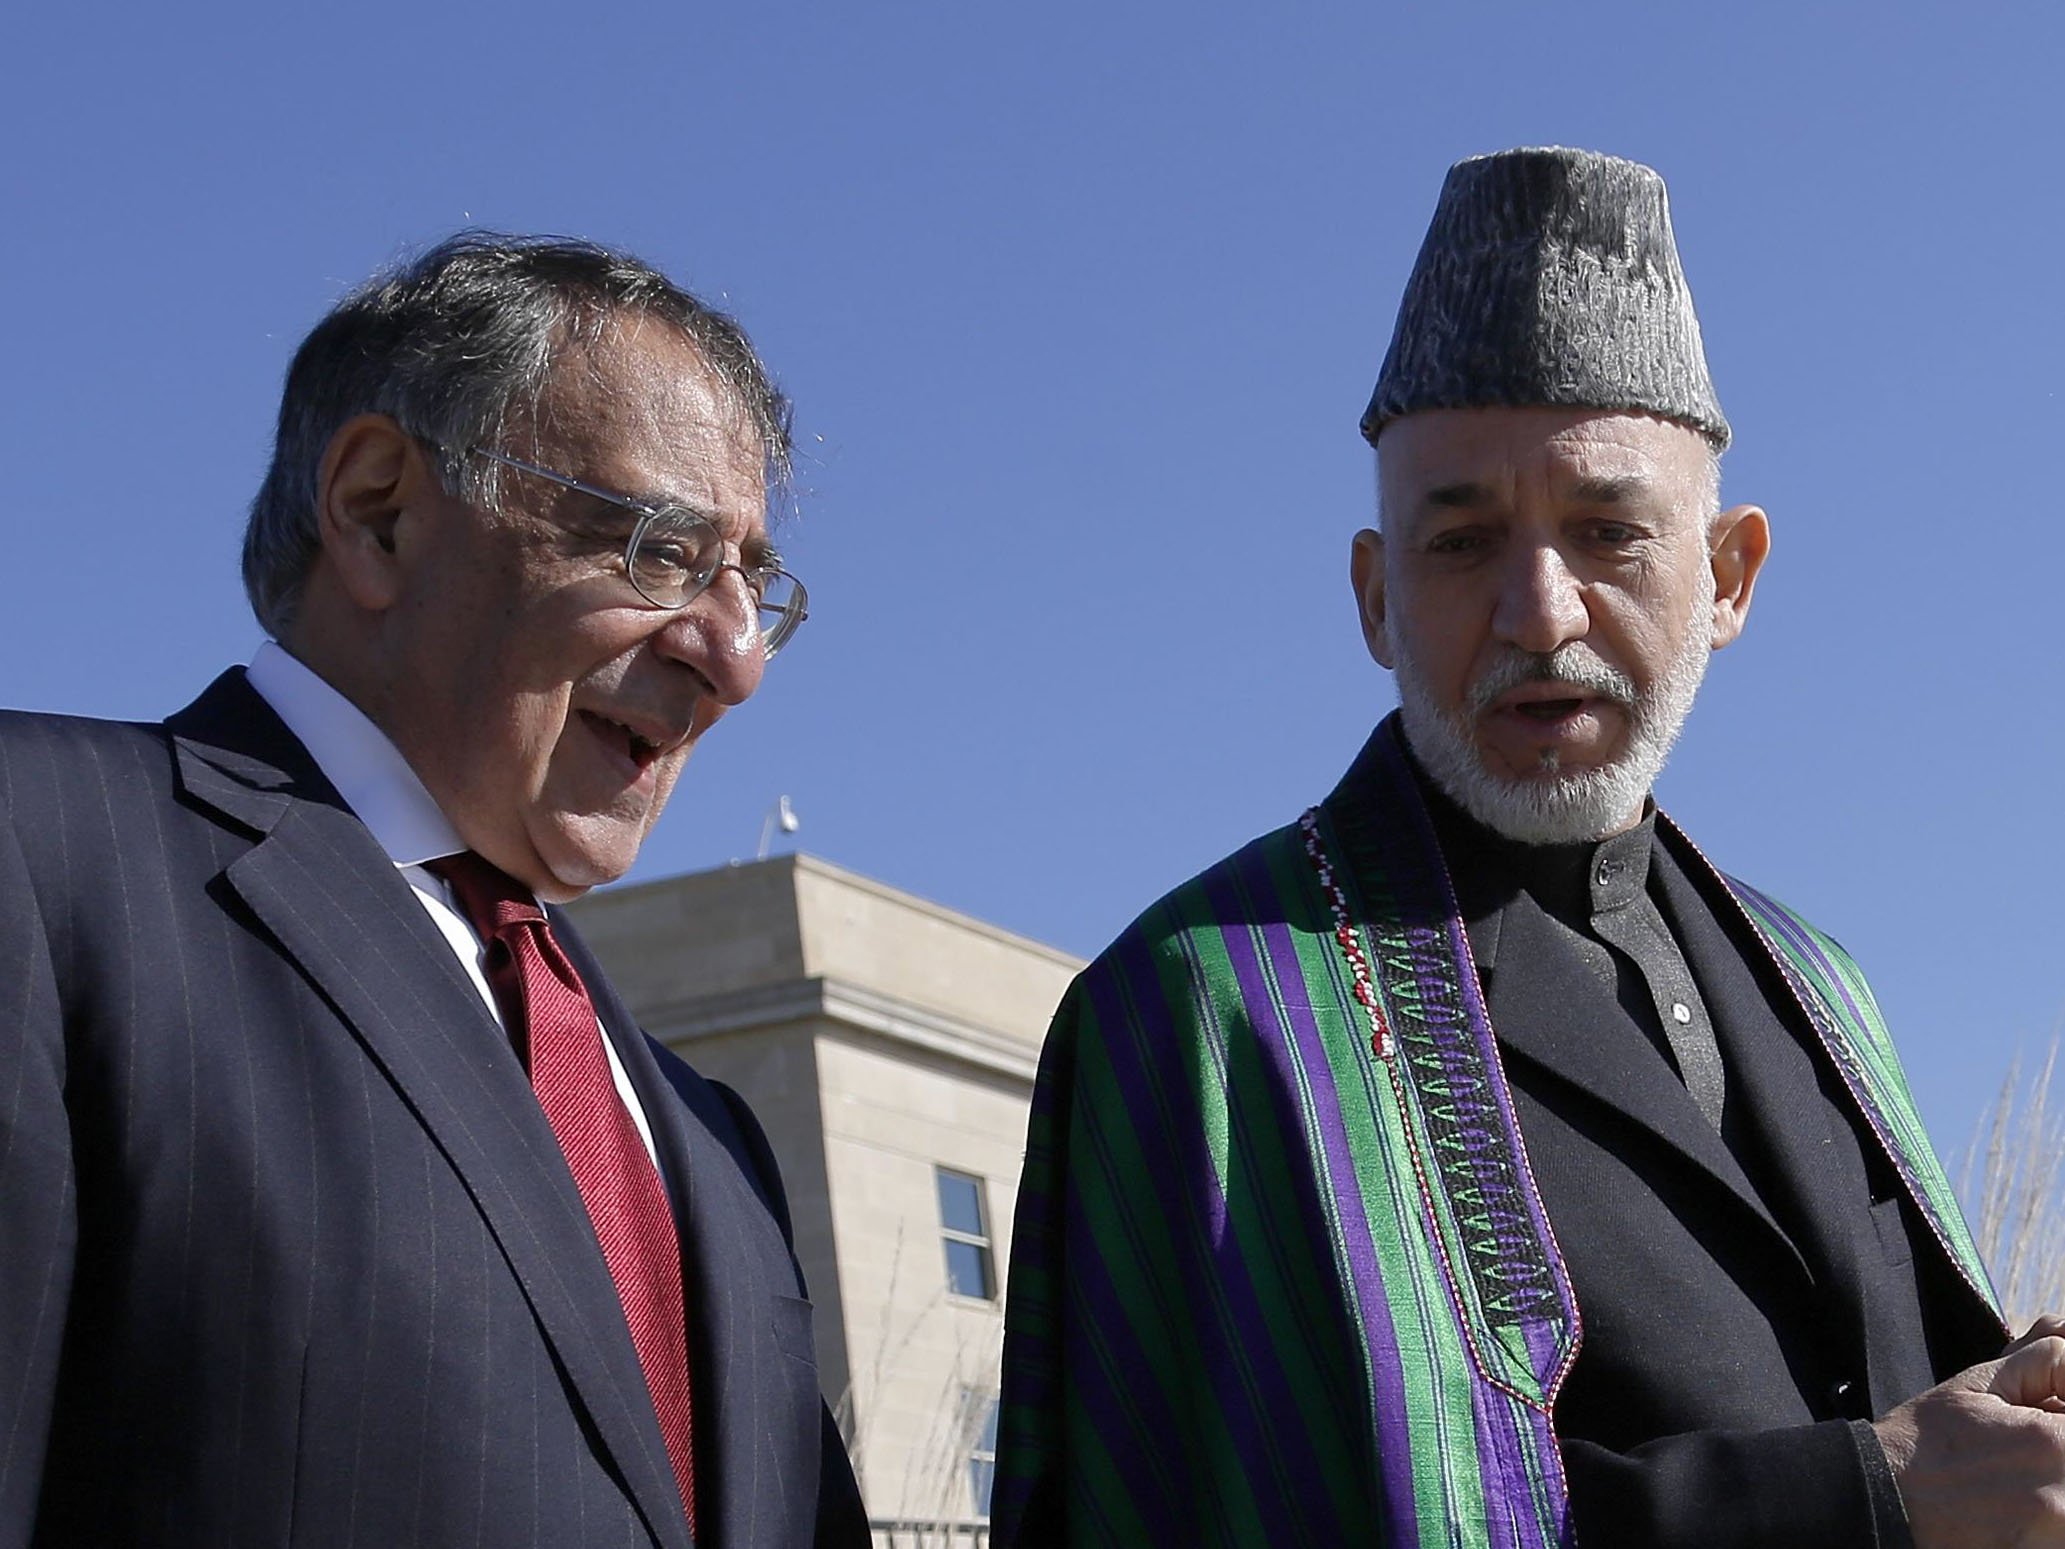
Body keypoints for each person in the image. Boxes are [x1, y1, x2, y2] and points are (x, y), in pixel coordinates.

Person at [994, 148, 2065, 1548]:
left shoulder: (1822, 985)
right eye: (1460, 543)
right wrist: (1854, 1497)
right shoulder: (1205, 1010)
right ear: (1376, 599)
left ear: (1727, 576)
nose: (1536, 609)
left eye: (1607, 530)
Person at [0, 233, 868, 1548]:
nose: (733, 659)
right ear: (377, 511)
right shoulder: (41, 856)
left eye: (755, 585)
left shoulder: (713, 1138)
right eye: (658, 549)